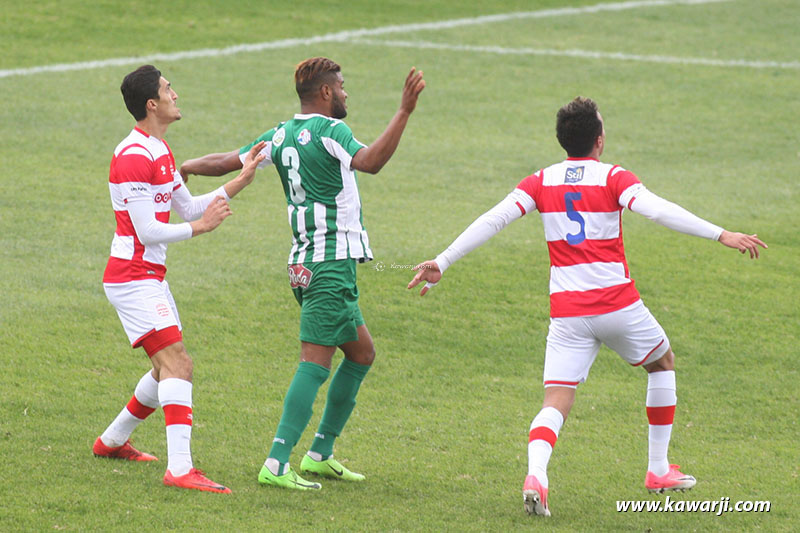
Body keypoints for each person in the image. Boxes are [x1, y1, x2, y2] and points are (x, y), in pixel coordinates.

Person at [408, 97, 766, 517]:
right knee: (662, 362)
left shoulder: (540, 181)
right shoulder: (614, 177)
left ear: (563, 140)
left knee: (556, 399)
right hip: (618, 305)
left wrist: (443, 260)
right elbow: (658, 211)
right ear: (599, 139)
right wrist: (720, 234)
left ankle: (536, 475)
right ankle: (657, 470)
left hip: (568, 314)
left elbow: (494, 219)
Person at [180, 57, 425, 490]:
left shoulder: (280, 133)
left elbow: (230, 160)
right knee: (313, 364)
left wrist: (188, 166)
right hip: (328, 266)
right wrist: (403, 111)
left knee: (362, 353)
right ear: (326, 92)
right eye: (343, 86)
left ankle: (319, 455)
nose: (347, 93)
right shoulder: (334, 133)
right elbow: (370, 162)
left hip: (306, 264)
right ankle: (276, 463)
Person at [95, 64, 266, 494]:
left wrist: (240, 179)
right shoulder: (133, 156)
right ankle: (180, 469)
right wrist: (203, 228)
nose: (176, 94)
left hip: (148, 275)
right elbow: (148, 231)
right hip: (132, 276)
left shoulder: (160, 150)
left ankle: (112, 441)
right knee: (178, 364)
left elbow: (188, 208)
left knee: (163, 369)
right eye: (169, 89)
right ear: (152, 104)